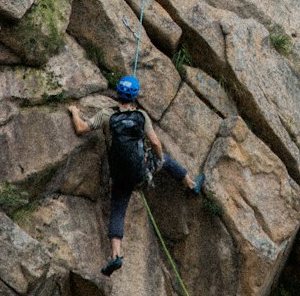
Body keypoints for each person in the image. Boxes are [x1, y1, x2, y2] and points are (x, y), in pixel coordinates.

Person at [69, 73, 204, 277]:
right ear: (134, 95)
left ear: (117, 93)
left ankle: (116, 255)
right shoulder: (141, 116)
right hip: (141, 173)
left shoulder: (106, 115)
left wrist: (74, 111)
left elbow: (81, 129)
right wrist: (158, 160)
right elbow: (156, 143)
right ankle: (191, 184)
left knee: (118, 208)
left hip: (119, 176)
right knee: (166, 159)